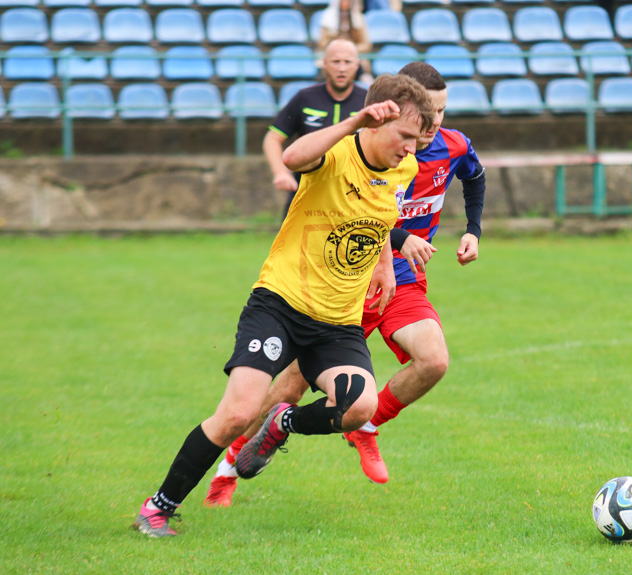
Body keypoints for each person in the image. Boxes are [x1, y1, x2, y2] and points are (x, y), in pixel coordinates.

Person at [133, 73, 434, 538]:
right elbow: (293, 156)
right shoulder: (337, 151)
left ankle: (283, 422)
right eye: (405, 137)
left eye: (417, 140)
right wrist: (352, 120)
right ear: (376, 121)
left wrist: (384, 265)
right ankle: (158, 506)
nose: (411, 149)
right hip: (281, 303)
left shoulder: (404, 169)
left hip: (338, 322)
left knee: (360, 406)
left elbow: (380, 217)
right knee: (237, 412)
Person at [203, 62, 485, 506]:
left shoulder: (451, 145)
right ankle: (228, 467)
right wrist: (399, 238)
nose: (435, 124)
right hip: (343, 281)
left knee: (433, 360)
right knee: (288, 388)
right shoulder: (377, 148)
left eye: (443, 112)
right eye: (428, 113)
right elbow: (359, 215)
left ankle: (366, 429)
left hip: (401, 279)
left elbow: (475, 176)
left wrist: (473, 228)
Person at [263, 38, 368, 220]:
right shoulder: (305, 98)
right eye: (336, 62)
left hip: (353, 196)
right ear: (324, 64)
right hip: (305, 193)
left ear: (357, 65)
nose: (341, 68)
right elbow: (272, 138)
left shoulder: (368, 101)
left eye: (347, 62)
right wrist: (280, 172)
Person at [317, 0, 374, 83]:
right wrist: (337, 47)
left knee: (363, 71)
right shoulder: (327, 18)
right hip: (333, 54)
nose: (346, 2)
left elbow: (366, 44)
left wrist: (349, 48)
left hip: (354, 56)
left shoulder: (359, 18)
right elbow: (322, 42)